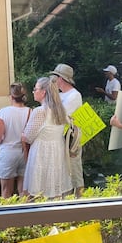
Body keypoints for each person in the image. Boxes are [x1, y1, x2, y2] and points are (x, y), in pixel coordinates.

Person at [22, 77, 72, 199]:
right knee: (55, 192)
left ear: (43, 92)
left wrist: (22, 135)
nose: (33, 91)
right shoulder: (61, 110)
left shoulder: (40, 111)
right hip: (57, 152)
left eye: (35, 89)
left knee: (37, 192)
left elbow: (27, 137)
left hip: (41, 154)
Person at [49, 63, 85, 198]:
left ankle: (80, 200)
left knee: (74, 171)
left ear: (61, 79)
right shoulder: (60, 95)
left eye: (55, 77)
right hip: (62, 139)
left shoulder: (75, 95)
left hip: (70, 141)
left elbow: (61, 116)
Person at [0, 83, 31, 198]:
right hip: (24, 153)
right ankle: (25, 214)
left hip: (8, 152)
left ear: (11, 96)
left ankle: (6, 215)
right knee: (24, 191)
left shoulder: (3, 112)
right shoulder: (30, 111)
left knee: (6, 191)